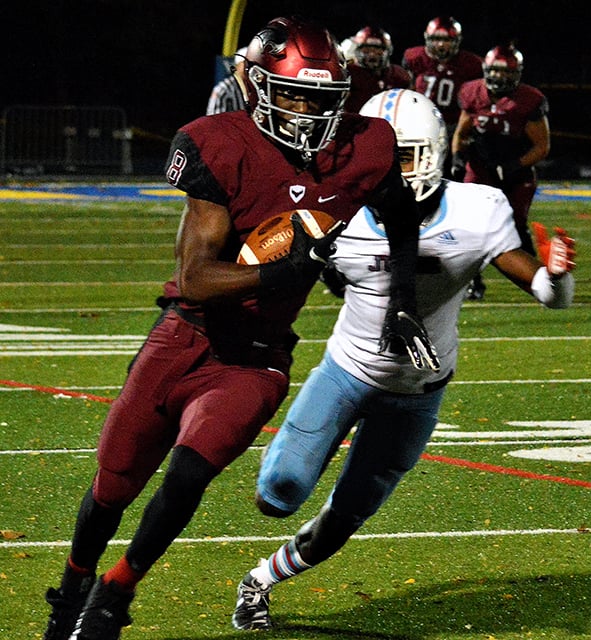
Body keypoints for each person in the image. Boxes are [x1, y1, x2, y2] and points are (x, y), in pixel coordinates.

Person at [42, 17, 438, 640]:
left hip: (257, 356)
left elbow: (403, 215)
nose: (308, 112)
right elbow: (197, 278)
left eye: (321, 99)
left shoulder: (365, 148)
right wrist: (283, 272)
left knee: (191, 471)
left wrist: (403, 300)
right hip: (186, 334)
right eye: (295, 95)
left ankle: (115, 592)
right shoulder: (218, 143)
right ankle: (72, 585)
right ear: (255, 87)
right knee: (113, 483)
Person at [230, 88, 575, 630]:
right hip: (346, 371)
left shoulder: (477, 209)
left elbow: (548, 293)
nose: (395, 171)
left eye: (408, 155)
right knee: (278, 493)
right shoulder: (332, 212)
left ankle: (261, 580)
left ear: (436, 152)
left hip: (418, 393)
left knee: (346, 516)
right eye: (383, 159)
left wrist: (557, 277)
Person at [451, 44, 551, 299]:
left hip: (516, 170)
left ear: (517, 74)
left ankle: (538, 279)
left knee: (516, 224)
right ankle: (473, 282)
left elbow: (542, 146)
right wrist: (458, 157)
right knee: (469, 224)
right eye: (495, 70)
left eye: (507, 72)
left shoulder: (528, 100)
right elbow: (462, 133)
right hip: (481, 167)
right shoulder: (473, 92)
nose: (500, 77)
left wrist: (514, 166)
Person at [402, 16, 483, 176]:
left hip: (453, 125)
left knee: (455, 173)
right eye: (437, 39)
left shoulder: (471, 64)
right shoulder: (414, 57)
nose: (441, 44)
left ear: (457, 41)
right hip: (421, 124)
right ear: (427, 38)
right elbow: (407, 89)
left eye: (447, 40)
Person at [343, 25, 412, 113]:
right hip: (356, 123)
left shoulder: (399, 75)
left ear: (388, 51)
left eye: (378, 50)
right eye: (366, 50)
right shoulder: (348, 73)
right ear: (357, 50)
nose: (372, 54)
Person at [205, 48, 247, 115]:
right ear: (237, 66)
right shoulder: (223, 90)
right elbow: (215, 121)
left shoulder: (256, 88)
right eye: (246, 64)